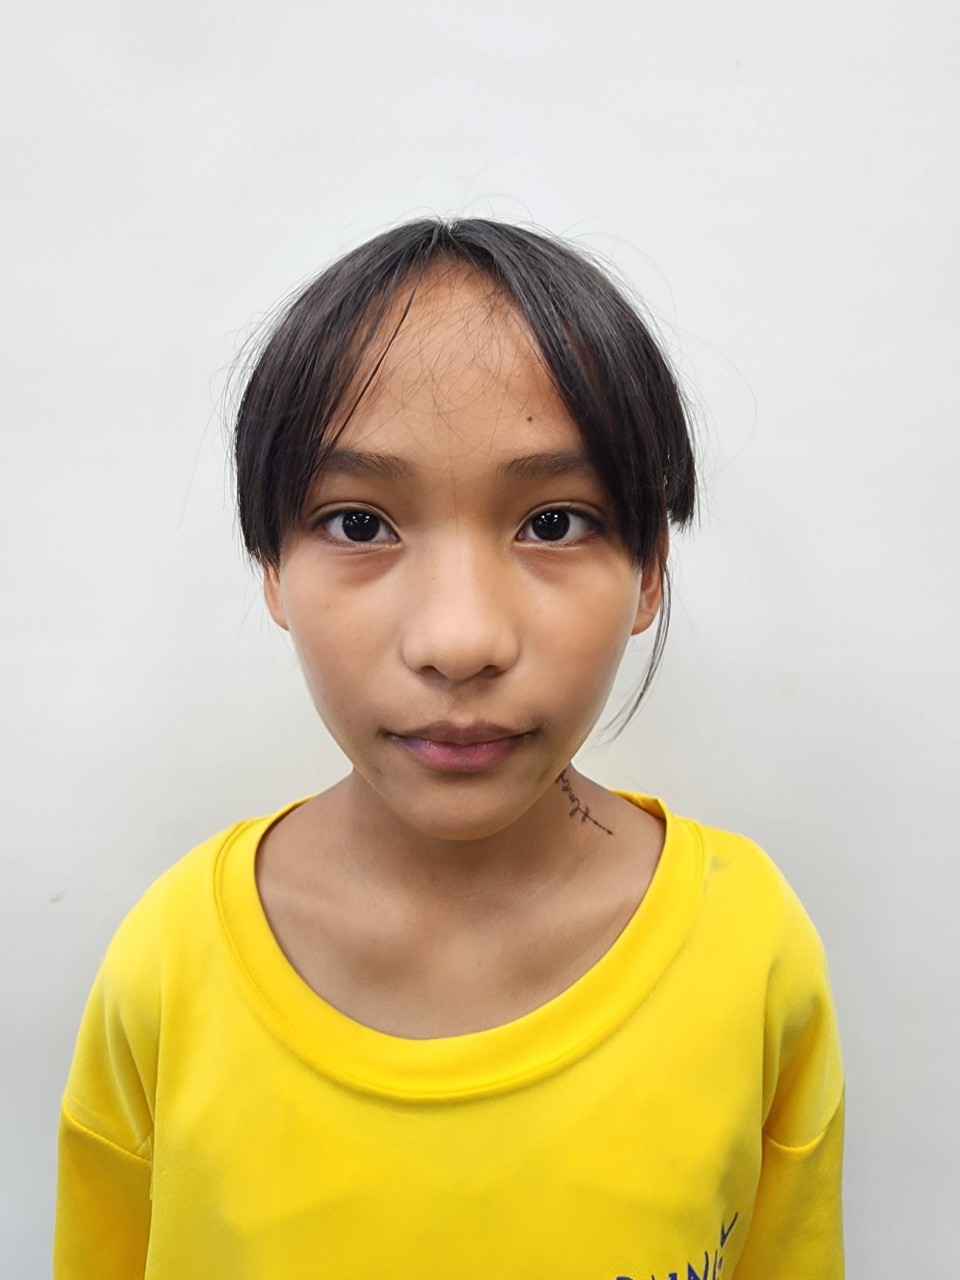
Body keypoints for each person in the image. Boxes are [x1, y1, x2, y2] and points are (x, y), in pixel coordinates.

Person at [54, 219, 844, 1279]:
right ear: (272, 567)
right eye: (359, 523)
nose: (459, 640)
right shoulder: (168, 969)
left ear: (650, 570)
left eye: (554, 523)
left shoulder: (752, 951)